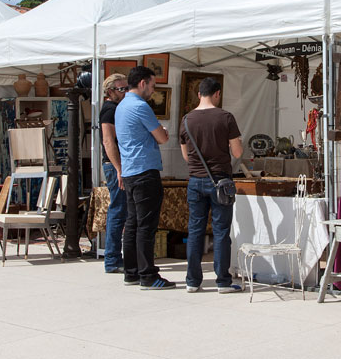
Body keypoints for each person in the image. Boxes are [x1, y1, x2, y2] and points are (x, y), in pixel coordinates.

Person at [179, 77, 243, 293]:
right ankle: (222, 281)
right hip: (221, 181)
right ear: (217, 94)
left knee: (195, 230)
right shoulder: (225, 117)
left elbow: (186, 156)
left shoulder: (186, 119)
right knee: (221, 231)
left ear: (199, 94)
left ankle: (192, 281)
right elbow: (238, 152)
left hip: (195, 181)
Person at [115, 66, 174, 289]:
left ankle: (131, 272)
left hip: (130, 170)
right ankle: (148, 275)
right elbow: (161, 138)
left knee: (132, 223)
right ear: (142, 83)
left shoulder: (121, 106)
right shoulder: (140, 106)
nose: (153, 90)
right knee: (146, 226)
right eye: (152, 85)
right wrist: (164, 132)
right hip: (144, 170)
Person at [100, 73, 129, 273]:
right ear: (110, 91)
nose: (125, 92)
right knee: (118, 211)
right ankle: (112, 259)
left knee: (121, 211)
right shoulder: (109, 109)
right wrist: (119, 168)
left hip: (117, 165)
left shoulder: (116, 108)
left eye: (126, 88)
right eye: (121, 89)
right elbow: (108, 141)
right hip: (115, 165)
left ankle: (115, 258)